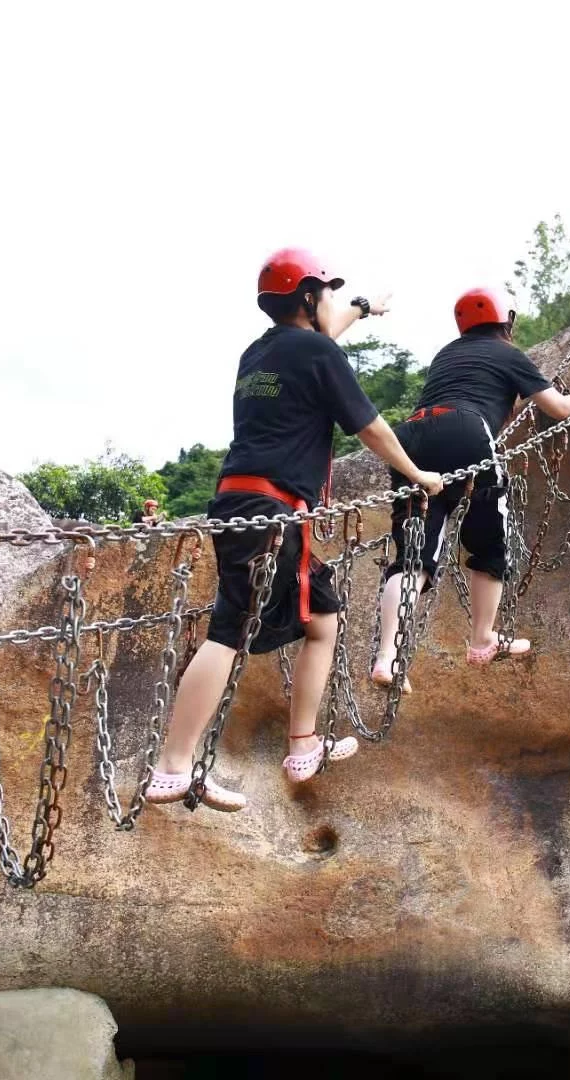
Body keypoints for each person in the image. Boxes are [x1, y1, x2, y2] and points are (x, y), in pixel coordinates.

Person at [148, 247, 444, 812]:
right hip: (273, 510)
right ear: (309, 298)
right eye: (327, 292)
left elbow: (322, 333)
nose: (332, 302)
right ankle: (175, 765)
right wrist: (418, 475)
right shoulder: (314, 350)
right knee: (228, 631)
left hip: (248, 502)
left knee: (323, 613)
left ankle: (303, 743)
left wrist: (360, 307)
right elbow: (372, 428)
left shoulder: (259, 353)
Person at [370, 287, 570, 680]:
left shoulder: (446, 354)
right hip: (466, 428)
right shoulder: (509, 354)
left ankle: (386, 657)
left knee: (414, 554)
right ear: (507, 320)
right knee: (491, 534)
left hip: (411, 437)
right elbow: (560, 408)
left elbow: (491, 401)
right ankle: (482, 638)